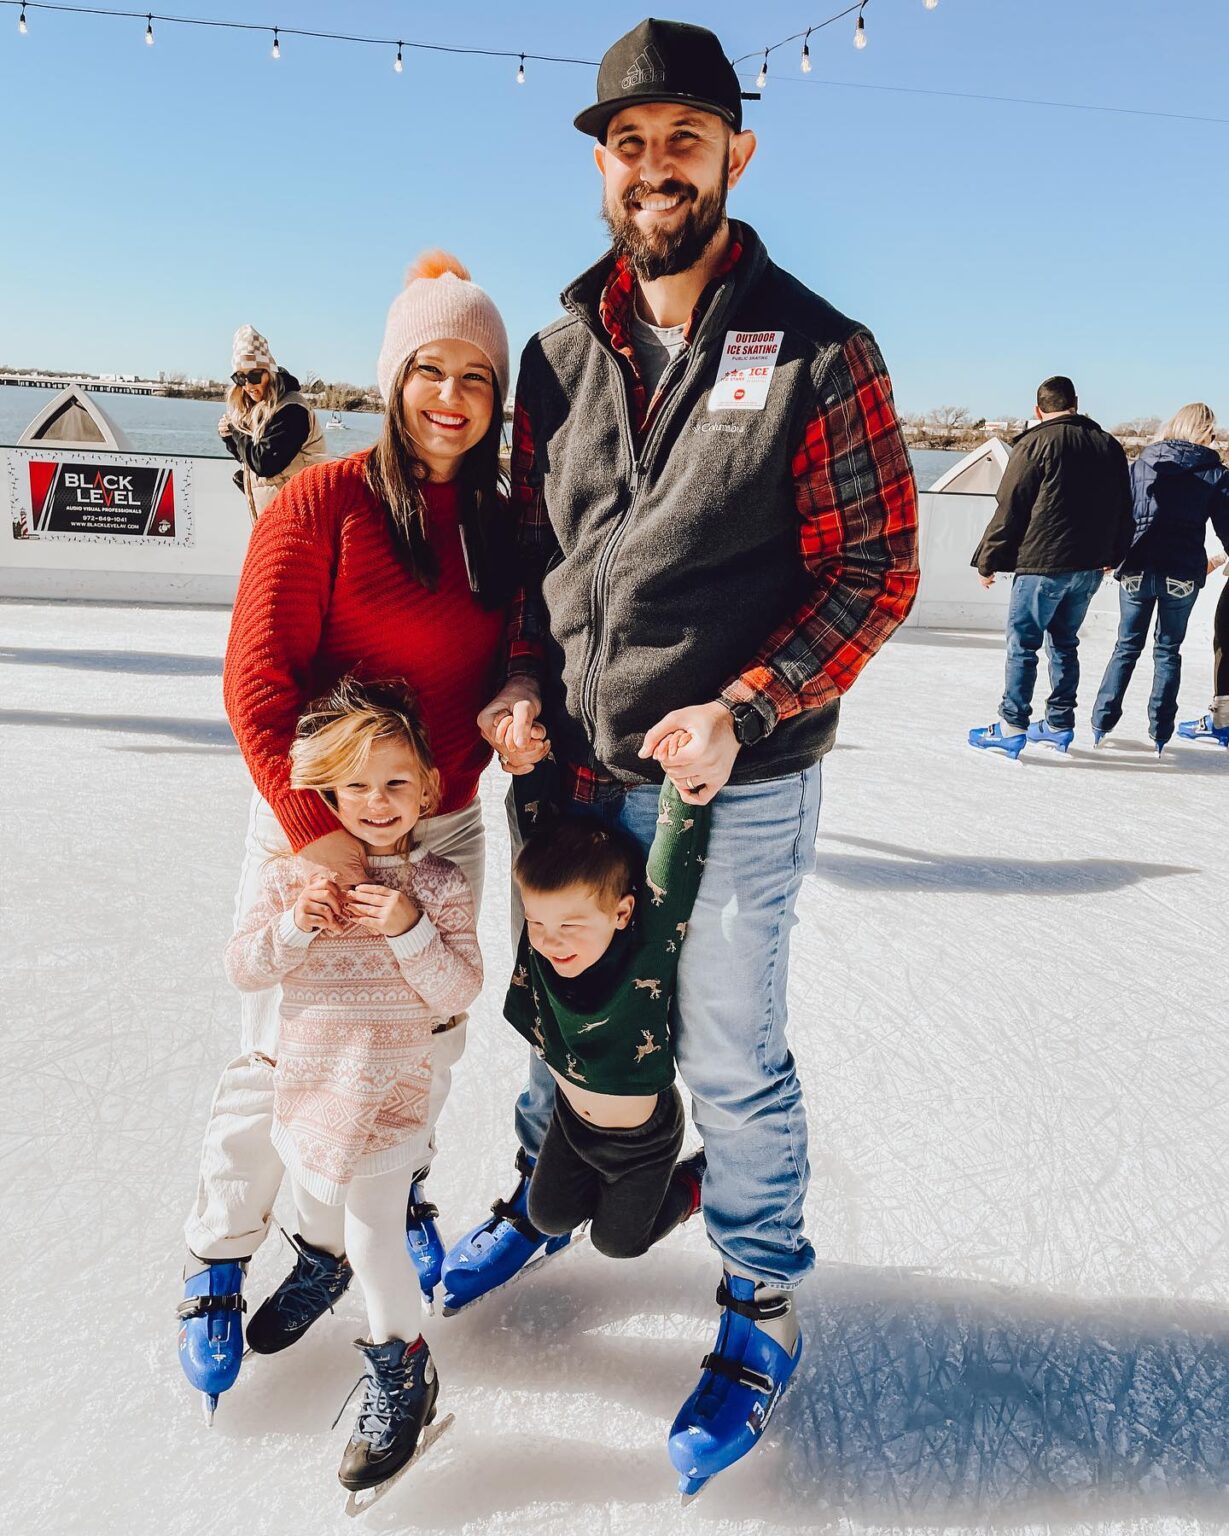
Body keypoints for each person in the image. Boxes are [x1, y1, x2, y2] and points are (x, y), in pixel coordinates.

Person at [438, 18, 919, 1497]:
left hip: (730, 787)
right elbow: (534, 555)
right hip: (572, 767)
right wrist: (520, 682)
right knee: (556, 999)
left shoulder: (819, 349)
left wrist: (746, 708)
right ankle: (541, 1193)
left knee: (721, 1047)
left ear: (735, 155)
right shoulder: (558, 349)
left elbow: (878, 569)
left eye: (685, 141)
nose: (657, 169)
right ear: (602, 166)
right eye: (630, 144)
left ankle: (759, 1297)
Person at [177, 252, 526, 1422]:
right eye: (429, 368)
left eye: (476, 375)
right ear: (393, 379)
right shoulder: (317, 504)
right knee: (281, 1047)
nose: (451, 397)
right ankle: (221, 1255)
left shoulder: (498, 523)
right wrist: (310, 832)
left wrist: (512, 701)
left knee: (421, 1041)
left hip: (443, 822)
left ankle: (355, 1228)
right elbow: (254, 682)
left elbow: (517, 651)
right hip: (310, 819)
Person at [225, 678, 481, 1495]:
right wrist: (298, 920)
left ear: (430, 788)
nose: (377, 802)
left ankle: (404, 1369)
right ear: (325, 792)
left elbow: (455, 993)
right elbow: (243, 969)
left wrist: (406, 932)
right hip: (311, 1087)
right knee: (313, 1205)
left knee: (376, 1231)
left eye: (397, 782)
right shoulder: (290, 877)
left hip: (389, 1092)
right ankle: (320, 1262)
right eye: (356, 786)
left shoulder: (435, 885)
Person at [502, 766, 708, 1266]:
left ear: (621, 913)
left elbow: (673, 872)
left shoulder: (645, 957)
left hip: (643, 1143)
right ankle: (586, 1195)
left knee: (617, 1243)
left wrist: (686, 790)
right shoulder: (542, 952)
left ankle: (692, 1184)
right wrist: (527, 767)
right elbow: (534, 832)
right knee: (547, 1216)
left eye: (571, 924)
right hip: (572, 1127)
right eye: (537, 923)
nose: (550, 940)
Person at [968, 375, 1134, 756]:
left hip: (1042, 566)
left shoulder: (1036, 442)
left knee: (1023, 645)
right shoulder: (1109, 445)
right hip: (1090, 567)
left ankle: (1012, 725)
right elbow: (1125, 509)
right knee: (1064, 643)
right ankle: (1059, 724)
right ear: (1076, 403)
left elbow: (1012, 506)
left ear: (1038, 410)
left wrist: (988, 561)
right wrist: (1114, 555)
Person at [1091, 404, 1229, 752]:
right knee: (1167, 651)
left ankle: (1101, 723)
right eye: (1212, 433)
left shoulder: (1145, 462)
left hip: (1137, 565)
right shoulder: (1216, 473)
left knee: (1126, 647)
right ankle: (1160, 733)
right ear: (1203, 432)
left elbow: (1123, 513)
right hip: (1181, 573)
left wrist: (1110, 555)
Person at [218, 325, 329, 520]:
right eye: (240, 377)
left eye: (254, 375)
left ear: (270, 372)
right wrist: (230, 438)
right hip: (275, 518)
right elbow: (250, 461)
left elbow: (265, 463)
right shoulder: (261, 409)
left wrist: (236, 431)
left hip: (303, 517)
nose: (248, 385)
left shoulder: (291, 409)